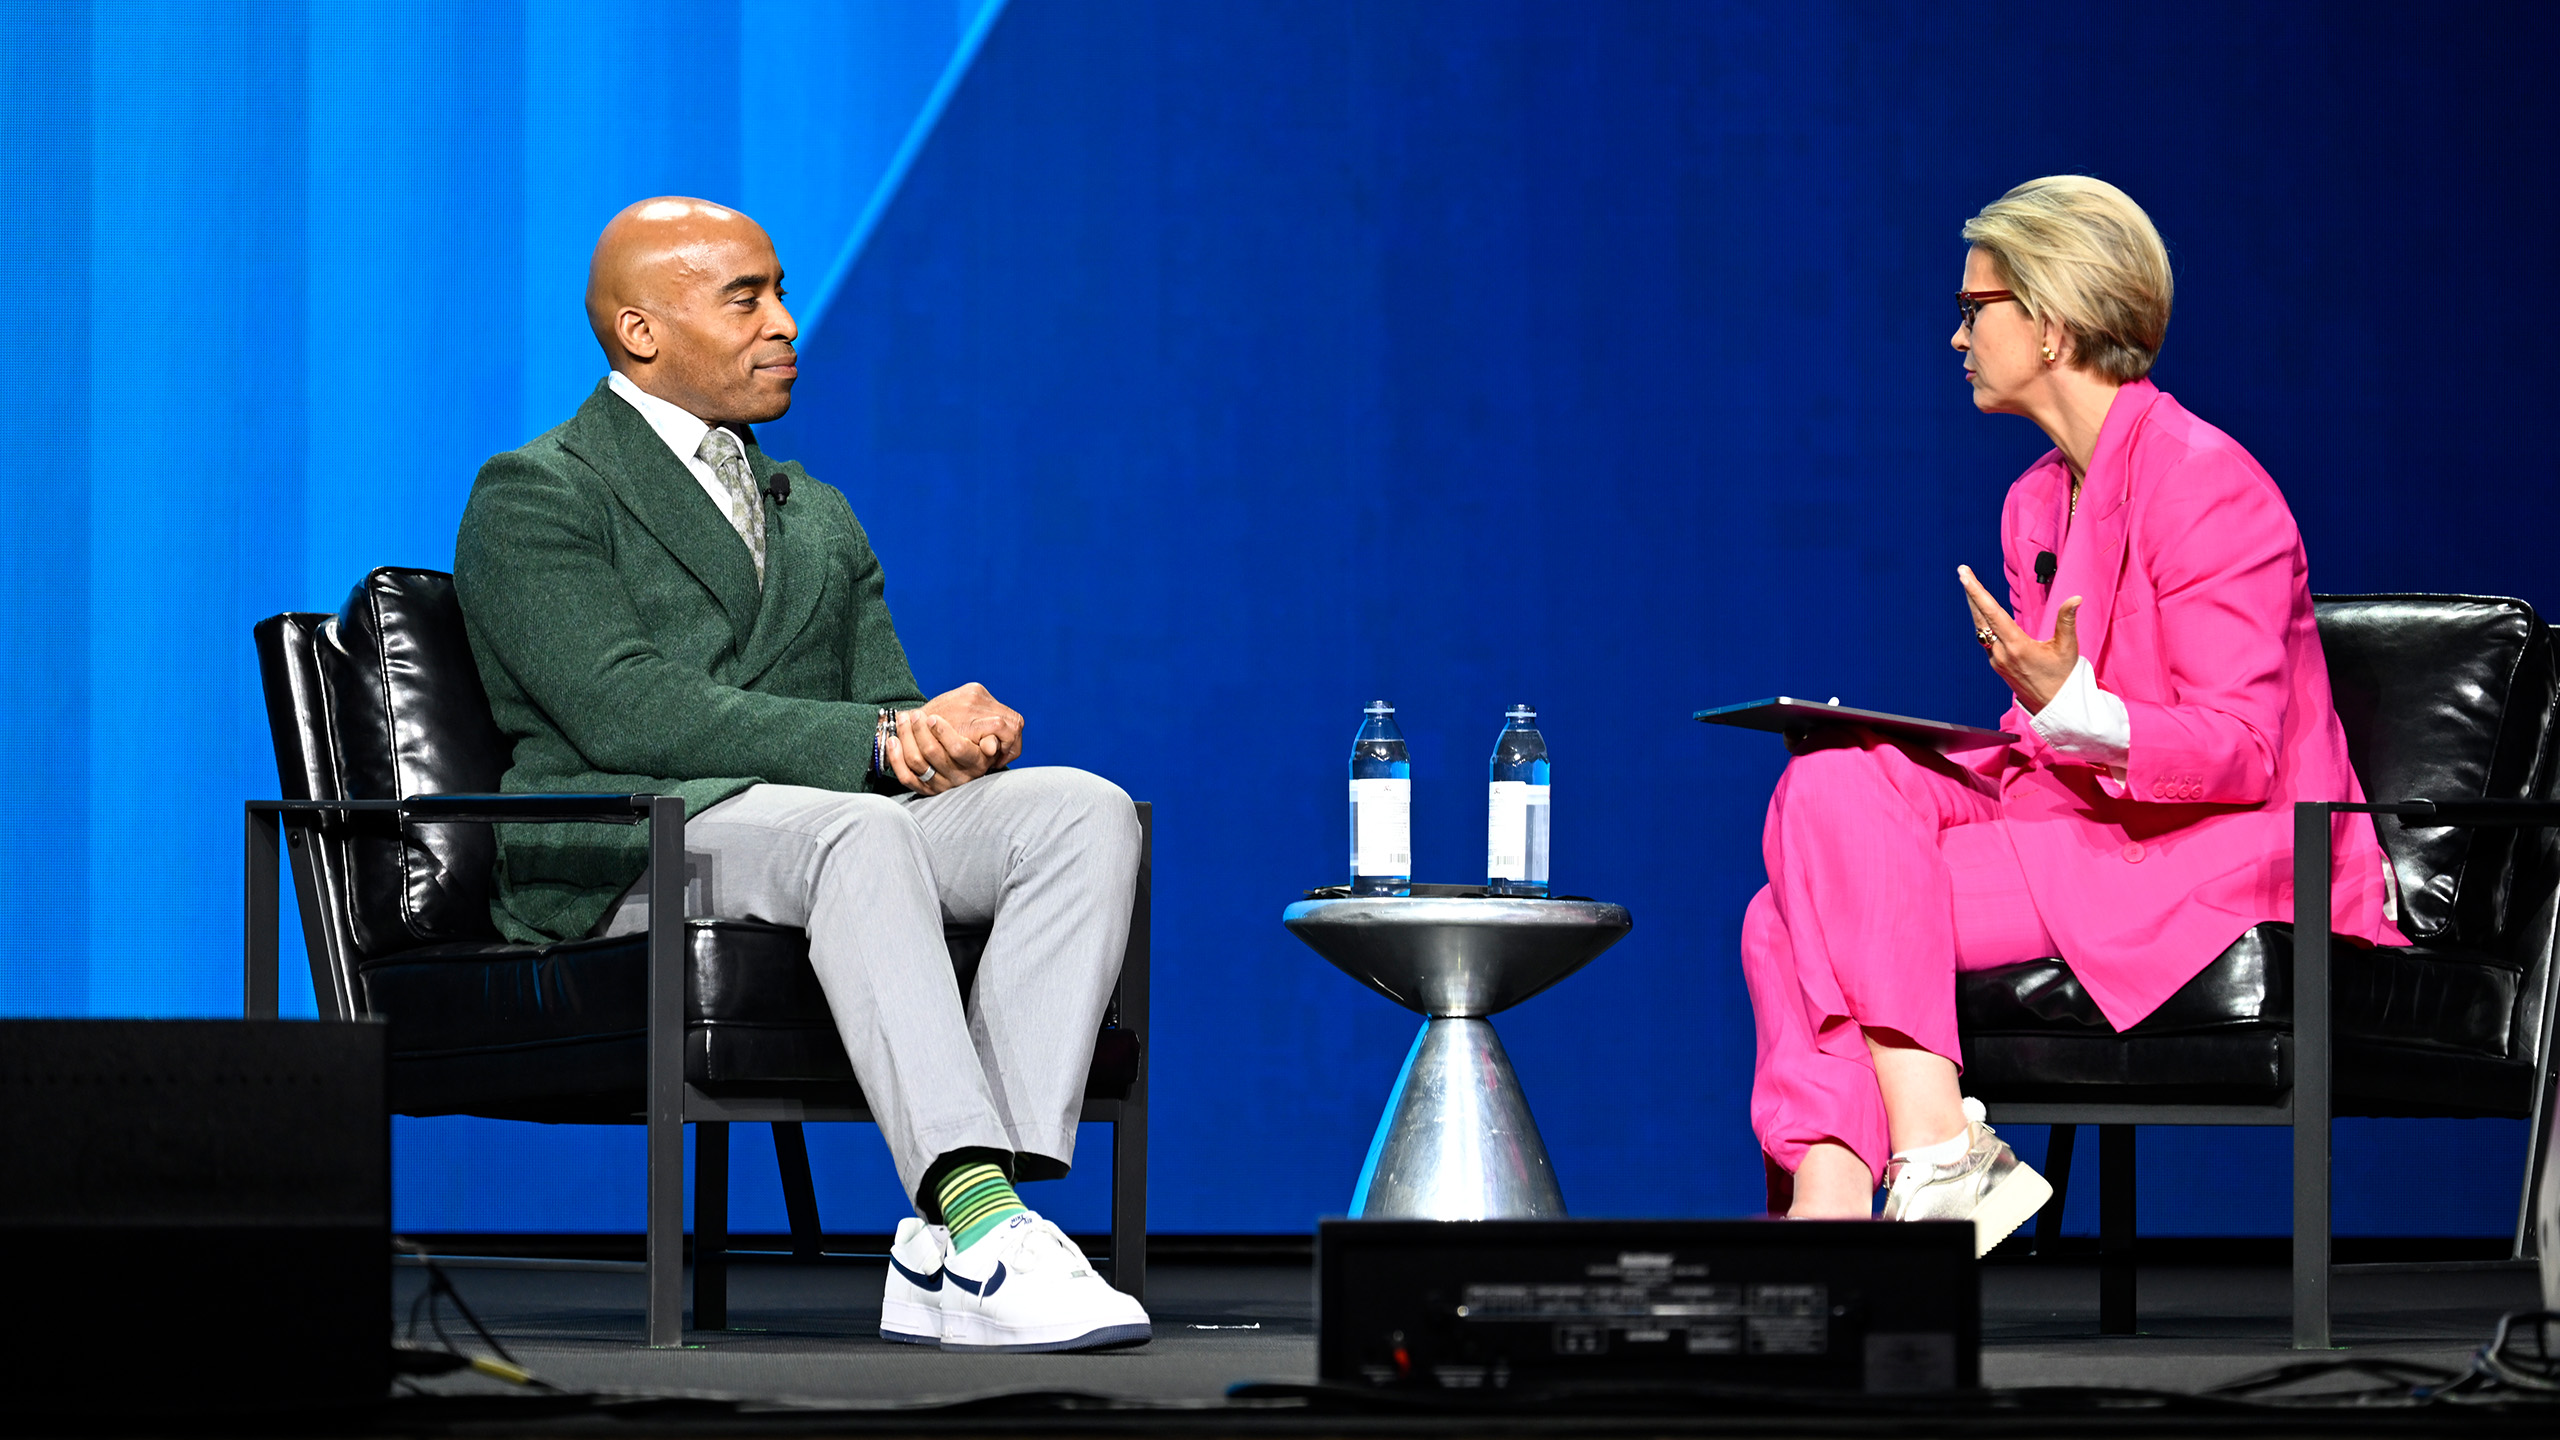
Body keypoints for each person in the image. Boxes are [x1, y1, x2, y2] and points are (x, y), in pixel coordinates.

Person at [453, 197, 1150, 1352]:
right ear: (641, 332)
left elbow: (879, 707)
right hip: (627, 838)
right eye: (747, 298)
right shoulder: (540, 490)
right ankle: (977, 1221)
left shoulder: (814, 510)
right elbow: (624, 707)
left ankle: (971, 1226)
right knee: (852, 832)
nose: (786, 321)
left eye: (780, 290)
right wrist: (878, 741)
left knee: (1077, 812)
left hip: (810, 828)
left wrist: (937, 739)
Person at [1738, 176, 2402, 1253]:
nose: (1955, 335)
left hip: (2223, 849)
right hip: (2089, 818)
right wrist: (1965, 745)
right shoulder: (2035, 501)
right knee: (1829, 774)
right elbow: (2043, 735)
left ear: (2048, 321)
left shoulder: (2208, 483)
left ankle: (1874, 1193)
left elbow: (2239, 750)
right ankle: (1905, 1169)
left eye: (1973, 309)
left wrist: (2073, 706)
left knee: (1782, 919)